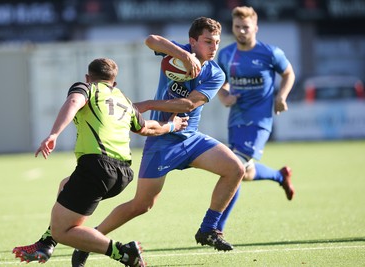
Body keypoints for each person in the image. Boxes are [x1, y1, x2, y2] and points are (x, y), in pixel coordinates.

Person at [71, 16, 245, 267]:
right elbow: (151, 40)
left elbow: (189, 104)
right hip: (161, 139)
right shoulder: (180, 54)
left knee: (235, 168)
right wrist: (184, 56)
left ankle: (209, 229)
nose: (214, 47)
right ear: (193, 42)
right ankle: (92, 238)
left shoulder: (216, 73)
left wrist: (149, 104)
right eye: (208, 41)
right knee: (142, 205)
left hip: (190, 138)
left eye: (216, 42)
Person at [12, 58, 189, 267]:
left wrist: (54, 134)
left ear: (88, 77)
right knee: (65, 185)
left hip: (97, 167)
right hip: (122, 173)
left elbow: (74, 102)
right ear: (114, 81)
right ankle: (46, 243)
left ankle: (124, 253)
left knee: (64, 231)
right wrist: (171, 125)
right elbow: (146, 128)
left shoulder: (87, 88)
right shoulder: (123, 98)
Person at [214, 6, 296, 233]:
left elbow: (289, 73)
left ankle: (216, 228)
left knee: (234, 169)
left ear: (255, 28)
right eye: (237, 27)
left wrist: (281, 96)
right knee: (246, 172)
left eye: (246, 27)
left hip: (260, 120)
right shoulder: (226, 54)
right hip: (236, 119)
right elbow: (219, 81)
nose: (241, 31)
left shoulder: (270, 53)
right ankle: (280, 176)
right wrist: (224, 95)